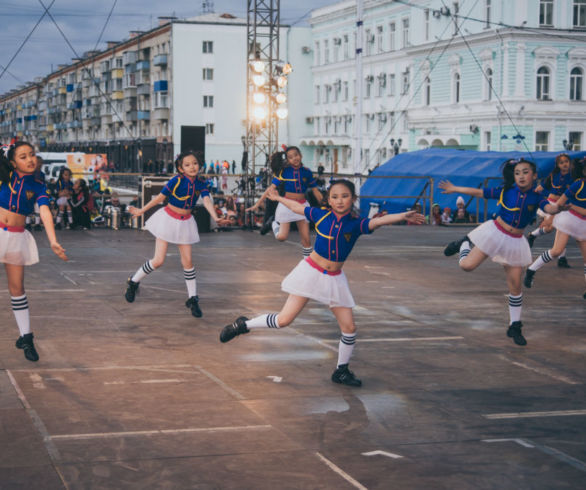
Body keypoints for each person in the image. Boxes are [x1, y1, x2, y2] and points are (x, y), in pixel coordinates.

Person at [219, 179, 424, 386]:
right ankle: (243, 324)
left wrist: (402, 216)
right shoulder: (320, 214)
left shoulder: (355, 224)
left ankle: (341, 371)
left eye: (345, 196)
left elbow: (378, 222)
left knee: (349, 327)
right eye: (335, 197)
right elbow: (297, 207)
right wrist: (278, 198)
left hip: (334, 280)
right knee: (283, 320)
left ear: (353, 199)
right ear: (329, 200)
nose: (340, 201)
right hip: (310, 273)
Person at [439, 158, 564, 346]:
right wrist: (455, 189)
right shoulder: (506, 190)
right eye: (517, 173)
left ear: (535, 175)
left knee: (515, 286)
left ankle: (515, 326)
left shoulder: (538, 196)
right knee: (467, 266)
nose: (521, 176)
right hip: (495, 233)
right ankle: (464, 244)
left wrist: (559, 207)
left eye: (525, 172)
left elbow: (550, 208)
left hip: (515, 242)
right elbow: (479, 192)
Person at [125, 150, 226, 317]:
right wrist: (141, 210)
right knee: (158, 261)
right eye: (187, 165)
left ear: (199, 165)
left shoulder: (201, 184)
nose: (192, 167)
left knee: (188, 262)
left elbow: (207, 200)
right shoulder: (176, 181)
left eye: (194, 163)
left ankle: (193, 299)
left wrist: (216, 217)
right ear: (181, 168)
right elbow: (159, 199)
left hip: (185, 222)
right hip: (168, 220)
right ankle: (133, 282)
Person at [0, 142, 68, 361]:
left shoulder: (38, 184)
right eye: (22, 156)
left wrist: (53, 240)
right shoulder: (4, 174)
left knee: (17, 288)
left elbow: (45, 211)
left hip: (17, 236)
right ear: (12, 162)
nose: (29, 159)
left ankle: (26, 337)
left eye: (31, 155)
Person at [524, 157, 586, 297]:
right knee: (557, 250)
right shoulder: (577, 185)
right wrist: (551, 218)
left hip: (583, 222)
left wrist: (573, 206)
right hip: (568, 218)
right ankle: (531, 270)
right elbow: (559, 204)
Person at [247, 147, 323, 257]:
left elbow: (316, 191)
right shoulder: (284, 172)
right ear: (287, 160)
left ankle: (308, 264)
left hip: (302, 206)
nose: (294, 158)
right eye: (290, 157)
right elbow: (270, 189)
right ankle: (273, 222)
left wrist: (326, 205)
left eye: (296, 155)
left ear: (300, 155)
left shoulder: (307, 172)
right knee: (282, 237)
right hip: (286, 205)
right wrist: (257, 204)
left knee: (306, 241)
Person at [527, 153, 575, 268]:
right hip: (552, 204)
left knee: (561, 229)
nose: (564, 164)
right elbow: (540, 188)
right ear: (558, 165)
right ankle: (533, 236)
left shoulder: (573, 176)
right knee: (551, 228)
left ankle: (561, 258)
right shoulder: (553, 175)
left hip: (564, 205)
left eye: (566, 162)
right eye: (562, 162)